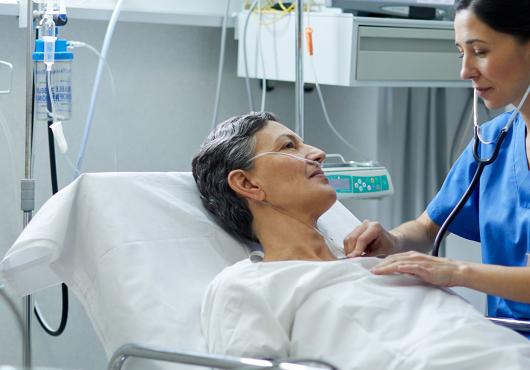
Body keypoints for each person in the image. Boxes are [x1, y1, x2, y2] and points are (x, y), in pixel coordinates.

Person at [192, 112, 530, 369]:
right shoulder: (247, 286)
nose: (318, 153)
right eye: (288, 146)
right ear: (248, 185)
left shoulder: (392, 265)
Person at [344, 0, 530, 336]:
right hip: (507, 341)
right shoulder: (493, 141)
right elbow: (428, 227)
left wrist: (456, 270)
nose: (465, 70)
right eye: (461, 53)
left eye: (480, 51)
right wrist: (393, 240)